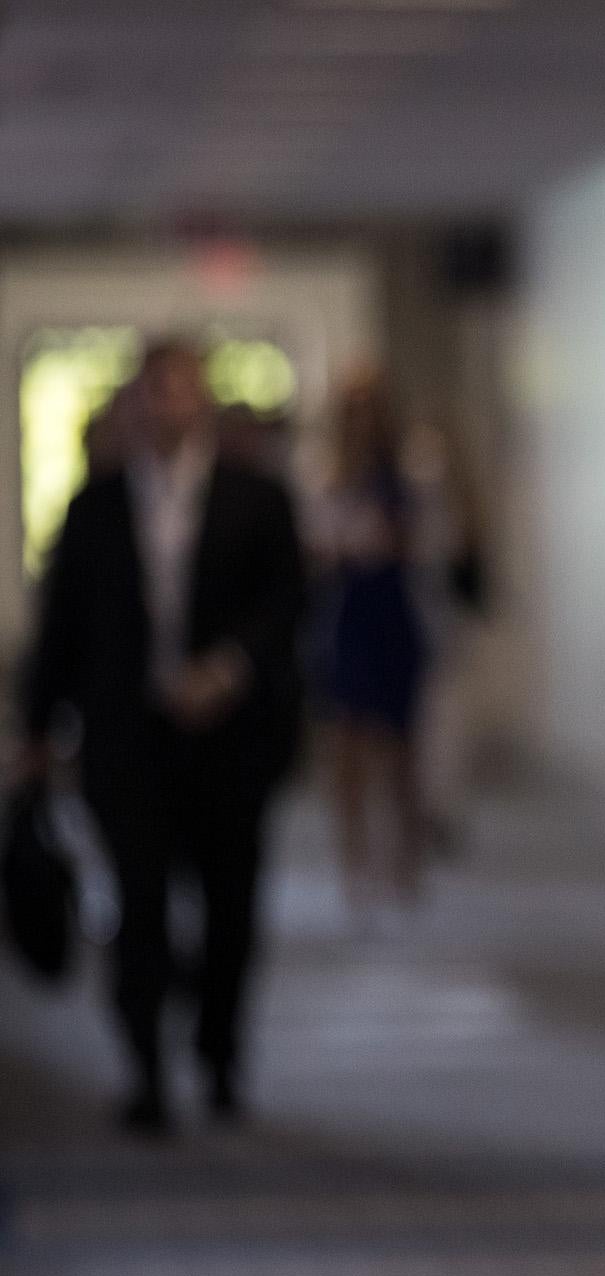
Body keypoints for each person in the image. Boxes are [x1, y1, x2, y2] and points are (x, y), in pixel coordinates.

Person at [21, 338, 305, 1133]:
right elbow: (62, 629)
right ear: (136, 405)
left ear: (203, 401)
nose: (167, 406)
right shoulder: (96, 504)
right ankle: (146, 1068)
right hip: (128, 738)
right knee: (138, 904)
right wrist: (39, 729)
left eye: (180, 391)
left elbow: (289, 606)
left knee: (228, 907)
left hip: (229, 740)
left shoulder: (258, 497)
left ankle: (218, 1053)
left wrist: (231, 666)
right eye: (153, 393)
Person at [310, 371, 431, 922]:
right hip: (349, 621)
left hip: (389, 618)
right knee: (347, 748)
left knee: (400, 749)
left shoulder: (398, 481)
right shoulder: (331, 480)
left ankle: (403, 860)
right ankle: (355, 863)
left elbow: (406, 544)